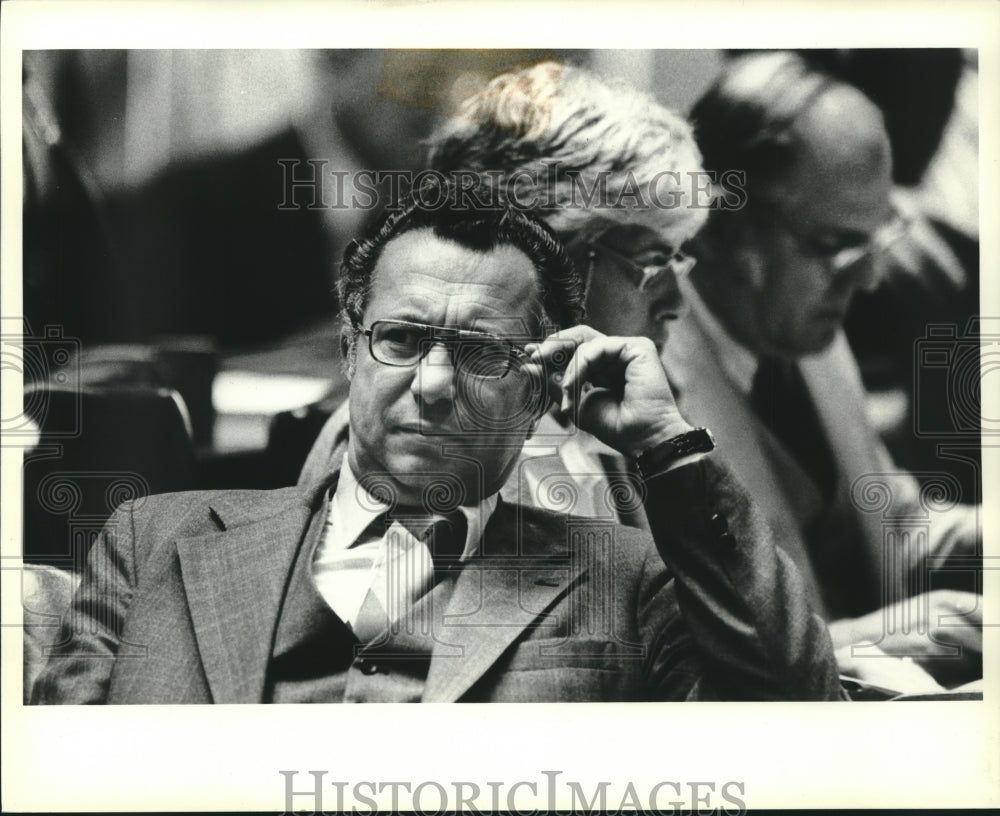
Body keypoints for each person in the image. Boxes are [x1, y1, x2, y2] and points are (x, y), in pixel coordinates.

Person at [31, 180, 839, 703]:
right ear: (350, 350)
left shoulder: (632, 579)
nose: (435, 384)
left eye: (485, 353)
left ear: (539, 387)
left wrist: (668, 447)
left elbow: (801, 726)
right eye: (403, 340)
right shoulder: (151, 542)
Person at [670, 52, 981, 692]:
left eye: (877, 237)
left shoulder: (811, 334)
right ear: (722, 225)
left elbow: (893, 526)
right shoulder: (644, 386)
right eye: (835, 247)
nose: (868, 279)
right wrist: (884, 637)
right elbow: (674, 664)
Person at [299, 60, 712, 528]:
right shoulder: (431, 433)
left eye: (678, 260)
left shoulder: (584, 408)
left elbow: (730, 598)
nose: (676, 302)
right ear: (551, 255)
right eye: (652, 263)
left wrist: (670, 446)